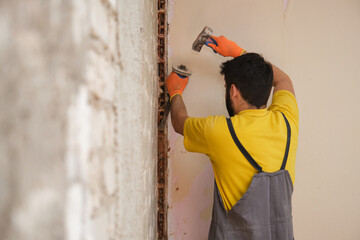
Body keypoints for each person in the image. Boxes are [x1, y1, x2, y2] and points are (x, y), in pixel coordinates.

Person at [166, 35, 299, 239]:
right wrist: (239, 53)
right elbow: (283, 79)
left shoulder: (220, 131)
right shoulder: (287, 122)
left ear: (234, 92)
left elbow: (178, 121)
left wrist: (175, 91)